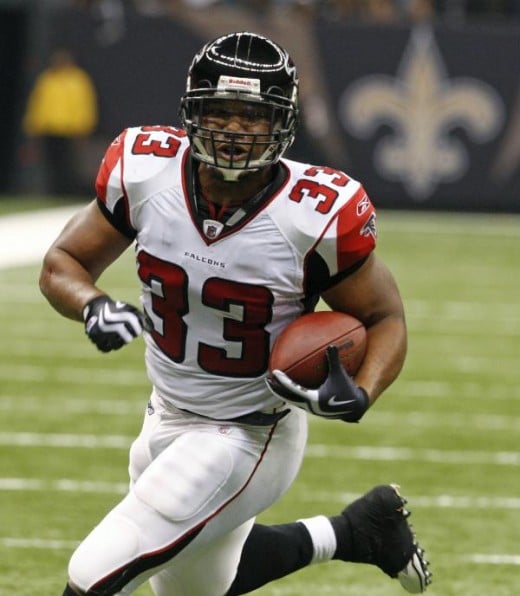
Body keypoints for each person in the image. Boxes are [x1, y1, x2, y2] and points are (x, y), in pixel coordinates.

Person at [39, 32, 432, 595]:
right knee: (195, 587)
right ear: (191, 112)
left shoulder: (312, 214)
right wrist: (93, 305)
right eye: (219, 112)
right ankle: (357, 532)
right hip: (165, 412)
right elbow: (64, 261)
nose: (233, 129)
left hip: (248, 434)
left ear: (283, 124)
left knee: (95, 572)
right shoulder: (146, 171)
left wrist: (364, 389)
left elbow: (385, 318)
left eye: (252, 116)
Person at [23, 48, 98, 196]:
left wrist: (84, 126)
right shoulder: (47, 78)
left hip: (70, 130)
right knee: (51, 164)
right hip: (49, 129)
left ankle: (70, 193)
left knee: (70, 165)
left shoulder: (78, 79)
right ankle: (53, 193)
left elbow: (84, 103)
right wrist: (33, 125)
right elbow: (38, 103)